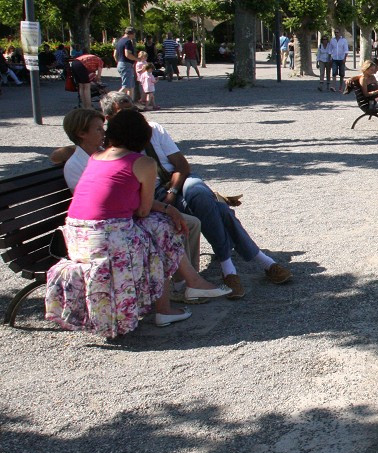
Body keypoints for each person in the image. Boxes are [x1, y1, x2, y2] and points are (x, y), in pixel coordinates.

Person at [98, 92, 293, 299]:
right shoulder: (117, 144)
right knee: (217, 209)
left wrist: (173, 192)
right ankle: (249, 265)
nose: (135, 116)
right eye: (126, 112)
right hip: (153, 192)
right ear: (111, 119)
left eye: (134, 110)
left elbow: (181, 165)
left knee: (198, 193)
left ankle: (232, 269)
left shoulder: (154, 129)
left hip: (177, 180)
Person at [44, 109, 219, 337]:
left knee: (159, 227)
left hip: (77, 234)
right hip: (105, 239)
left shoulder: (97, 157)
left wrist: (169, 209)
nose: (103, 133)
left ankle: (186, 290)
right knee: (159, 233)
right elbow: (144, 209)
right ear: (142, 137)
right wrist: (169, 210)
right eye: (98, 128)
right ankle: (182, 293)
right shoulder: (143, 162)